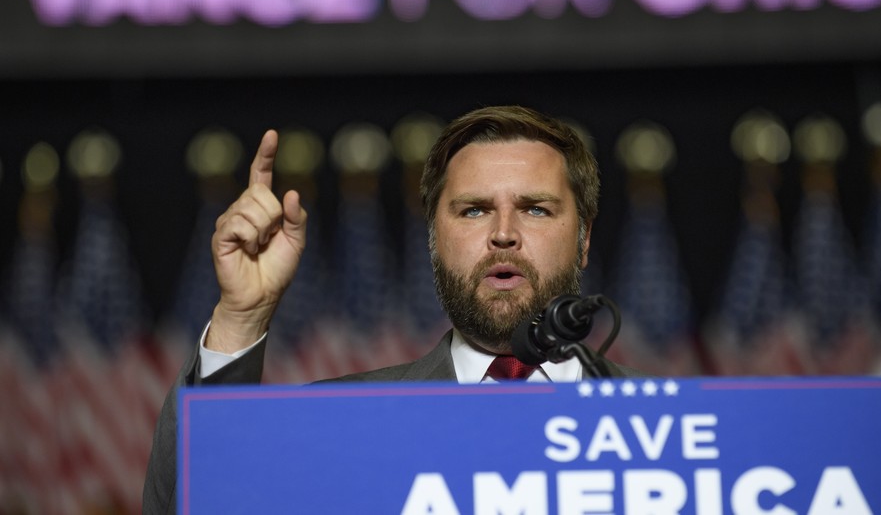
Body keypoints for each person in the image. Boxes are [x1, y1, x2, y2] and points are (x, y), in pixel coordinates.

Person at [142, 105, 641, 514]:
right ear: (433, 240)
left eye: (535, 208)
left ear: (583, 240)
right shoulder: (336, 426)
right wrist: (240, 317)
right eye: (473, 210)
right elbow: (194, 503)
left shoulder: (668, 425)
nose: (503, 232)